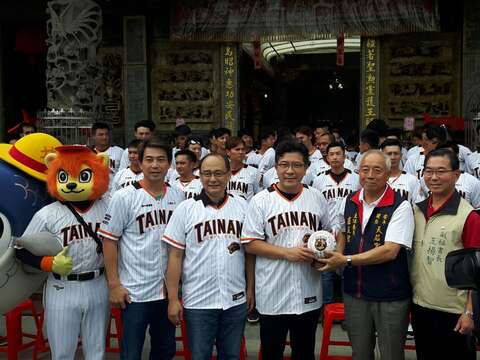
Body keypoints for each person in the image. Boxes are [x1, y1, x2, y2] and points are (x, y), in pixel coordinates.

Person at [241, 141, 335, 360]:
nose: (290, 171)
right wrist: (287, 253)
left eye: (296, 165)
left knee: (304, 352)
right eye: (284, 164)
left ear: (306, 168)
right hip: (272, 290)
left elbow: (328, 236)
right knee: (272, 352)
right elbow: (250, 243)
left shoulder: (317, 198)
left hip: (308, 288)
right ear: (276, 167)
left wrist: (321, 255)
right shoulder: (261, 201)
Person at [318, 150, 414, 360]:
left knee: (391, 354)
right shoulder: (350, 201)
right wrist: (337, 255)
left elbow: (390, 251)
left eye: (377, 170)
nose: (370, 175)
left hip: (390, 294)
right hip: (355, 292)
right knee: (360, 352)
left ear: (388, 174)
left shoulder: (400, 206)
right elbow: (343, 232)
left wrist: (346, 260)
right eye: (365, 169)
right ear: (358, 172)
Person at [99, 138, 184, 360]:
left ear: (169, 164)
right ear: (140, 162)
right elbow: (109, 241)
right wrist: (114, 284)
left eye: (160, 160)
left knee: (165, 350)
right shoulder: (124, 196)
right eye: (149, 160)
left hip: (166, 292)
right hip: (133, 291)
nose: (154, 165)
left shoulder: (179, 197)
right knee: (131, 351)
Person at [163, 154, 254, 359]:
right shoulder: (186, 209)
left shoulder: (242, 206)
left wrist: (250, 288)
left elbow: (249, 253)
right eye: (207, 174)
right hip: (198, 301)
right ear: (199, 175)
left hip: (235, 298)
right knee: (199, 355)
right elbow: (175, 256)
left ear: (229, 175)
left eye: (219, 173)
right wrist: (173, 298)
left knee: (231, 355)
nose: (213, 179)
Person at [410, 148, 480, 360]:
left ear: (457, 175)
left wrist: (469, 312)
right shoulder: (416, 211)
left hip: (454, 312)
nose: (433, 177)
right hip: (421, 306)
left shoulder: (468, 216)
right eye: (428, 171)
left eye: (441, 171)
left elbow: (477, 271)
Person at [311, 142, 360, 305]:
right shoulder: (319, 180)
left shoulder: (356, 178)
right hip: (327, 233)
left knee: (348, 270)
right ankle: (327, 308)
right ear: (327, 157)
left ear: (345, 156)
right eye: (331, 154)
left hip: (349, 233)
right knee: (326, 272)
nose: (335, 157)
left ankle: (348, 310)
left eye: (338, 153)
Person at [380, 138, 420, 203]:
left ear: (401, 156)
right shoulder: (376, 179)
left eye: (396, 153)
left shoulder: (412, 180)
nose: (392, 157)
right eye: (389, 154)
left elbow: (417, 207)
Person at [226, 137, 258, 201]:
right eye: (237, 149)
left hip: (246, 210)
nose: (241, 152)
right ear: (228, 152)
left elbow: (259, 196)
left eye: (243, 149)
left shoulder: (254, 172)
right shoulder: (221, 172)